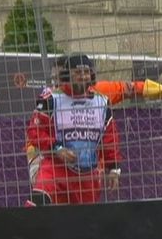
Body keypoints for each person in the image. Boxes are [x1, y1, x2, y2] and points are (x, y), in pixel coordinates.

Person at [23, 55, 162, 185]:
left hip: (84, 169)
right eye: (54, 79)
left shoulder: (98, 93)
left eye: (61, 77)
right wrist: (35, 156)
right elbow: (34, 132)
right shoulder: (50, 98)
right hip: (49, 161)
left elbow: (129, 88)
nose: (57, 83)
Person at [25, 53, 121, 206]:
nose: (82, 76)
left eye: (86, 72)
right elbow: (34, 131)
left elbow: (110, 138)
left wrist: (114, 168)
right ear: (66, 75)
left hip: (87, 175)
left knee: (84, 223)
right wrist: (57, 148)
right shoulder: (51, 99)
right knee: (36, 204)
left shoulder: (102, 102)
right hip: (56, 169)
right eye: (77, 72)